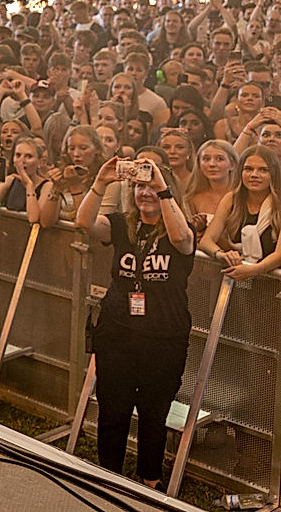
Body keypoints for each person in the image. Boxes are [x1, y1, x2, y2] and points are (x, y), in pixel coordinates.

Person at [75, 158, 194, 491]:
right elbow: (83, 222)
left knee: (154, 414)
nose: (146, 193)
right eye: (140, 187)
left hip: (164, 336)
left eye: (152, 187)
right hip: (117, 331)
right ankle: (108, 478)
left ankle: (149, 483)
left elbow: (183, 240)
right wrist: (100, 181)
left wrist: (162, 188)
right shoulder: (121, 223)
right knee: (113, 407)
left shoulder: (177, 226)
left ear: (167, 191)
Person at [201, 145, 281, 281]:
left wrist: (254, 270)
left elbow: (279, 255)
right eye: (248, 169)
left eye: (263, 170)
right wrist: (220, 254)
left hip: (274, 283)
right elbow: (206, 240)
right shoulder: (231, 199)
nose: (254, 175)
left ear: (274, 174)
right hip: (239, 279)